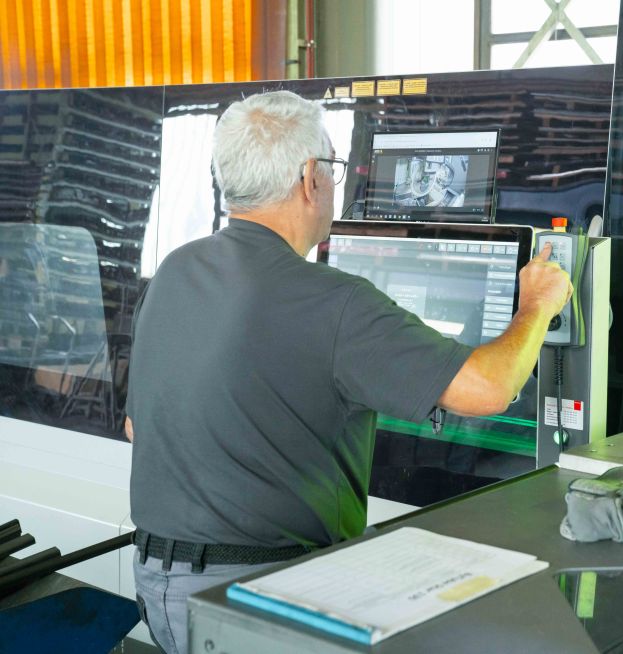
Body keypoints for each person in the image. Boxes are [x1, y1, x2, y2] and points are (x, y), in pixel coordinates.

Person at [125, 90, 572, 654]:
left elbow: (139, 427)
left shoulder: (174, 270)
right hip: (254, 592)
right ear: (311, 178)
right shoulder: (334, 301)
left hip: (155, 581)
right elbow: (488, 388)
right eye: (334, 169)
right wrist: (537, 306)